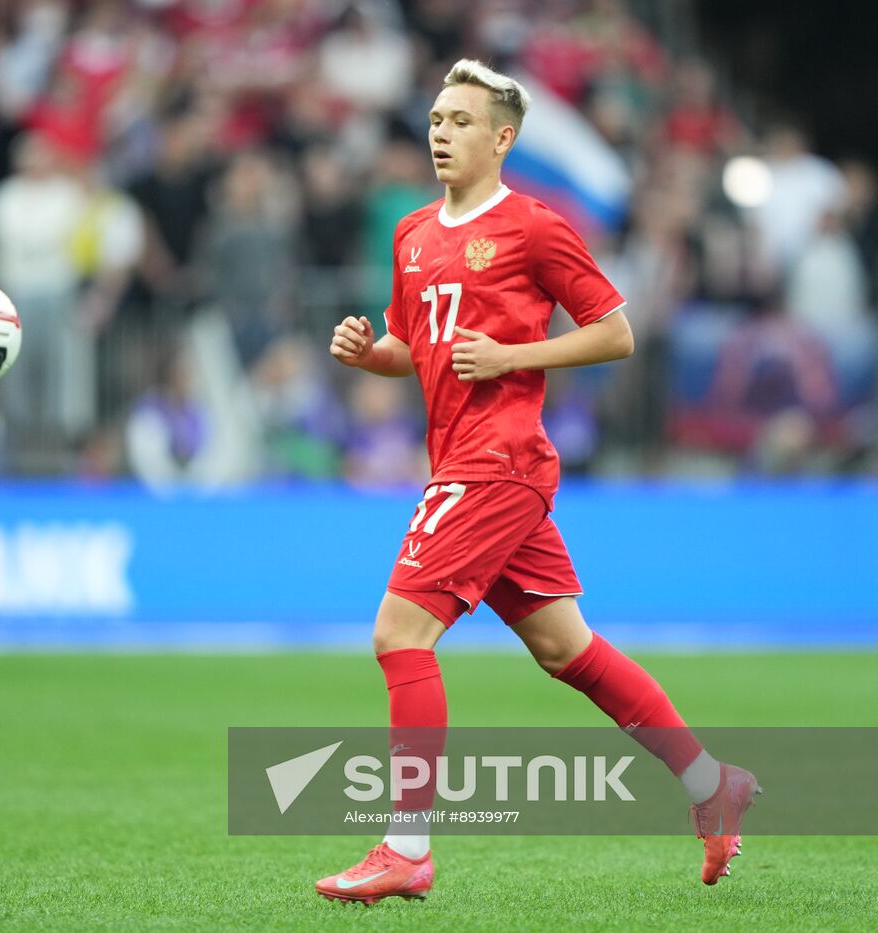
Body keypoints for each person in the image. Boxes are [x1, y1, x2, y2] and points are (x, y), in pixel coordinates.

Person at [316, 60, 759, 904]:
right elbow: (417, 350)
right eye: (436, 119)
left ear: (502, 138)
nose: (441, 132)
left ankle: (407, 846)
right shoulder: (413, 234)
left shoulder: (534, 228)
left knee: (398, 635)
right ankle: (711, 784)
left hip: (501, 459)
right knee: (569, 650)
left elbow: (617, 333)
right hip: (461, 459)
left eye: (460, 121)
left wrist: (515, 355)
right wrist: (366, 352)